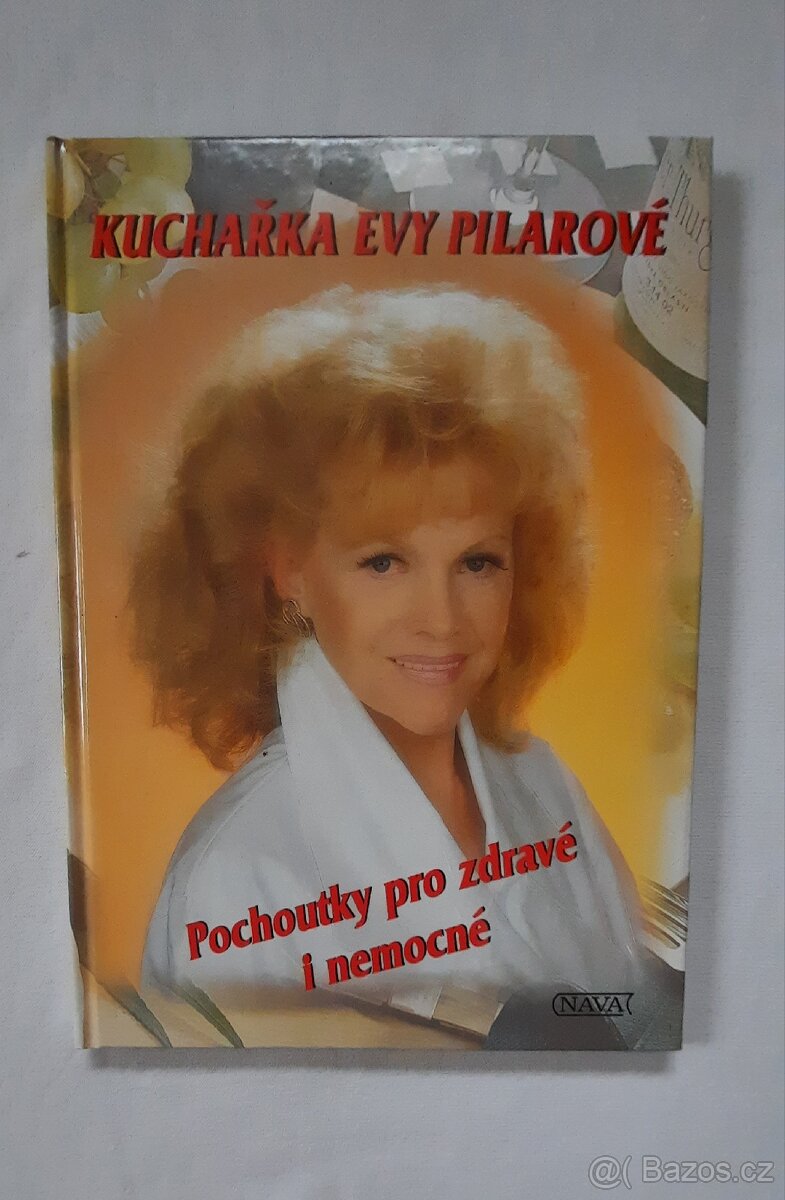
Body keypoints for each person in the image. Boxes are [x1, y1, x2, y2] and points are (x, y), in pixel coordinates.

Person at [133, 284, 678, 1047]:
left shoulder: (537, 780)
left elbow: (632, 1015)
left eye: (476, 562)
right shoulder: (237, 877)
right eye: (384, 561)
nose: (441, 619)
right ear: (288, 570)